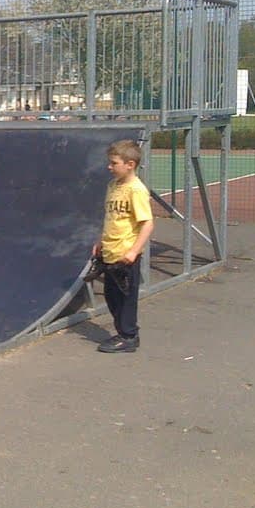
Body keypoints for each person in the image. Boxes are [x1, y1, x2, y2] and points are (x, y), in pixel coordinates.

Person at [89, 139, 154, 353]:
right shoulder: (113, 186)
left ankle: (128, 336)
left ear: (130, 164)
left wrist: (134, 251)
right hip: (110, 250)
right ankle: (123, 331)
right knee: (111, 295)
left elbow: (147, 223)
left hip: (125, 254)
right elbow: (111, 217)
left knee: (126, 298)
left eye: (114, 163)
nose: (109, 167)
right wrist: (100, 241)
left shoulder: (136, 190)